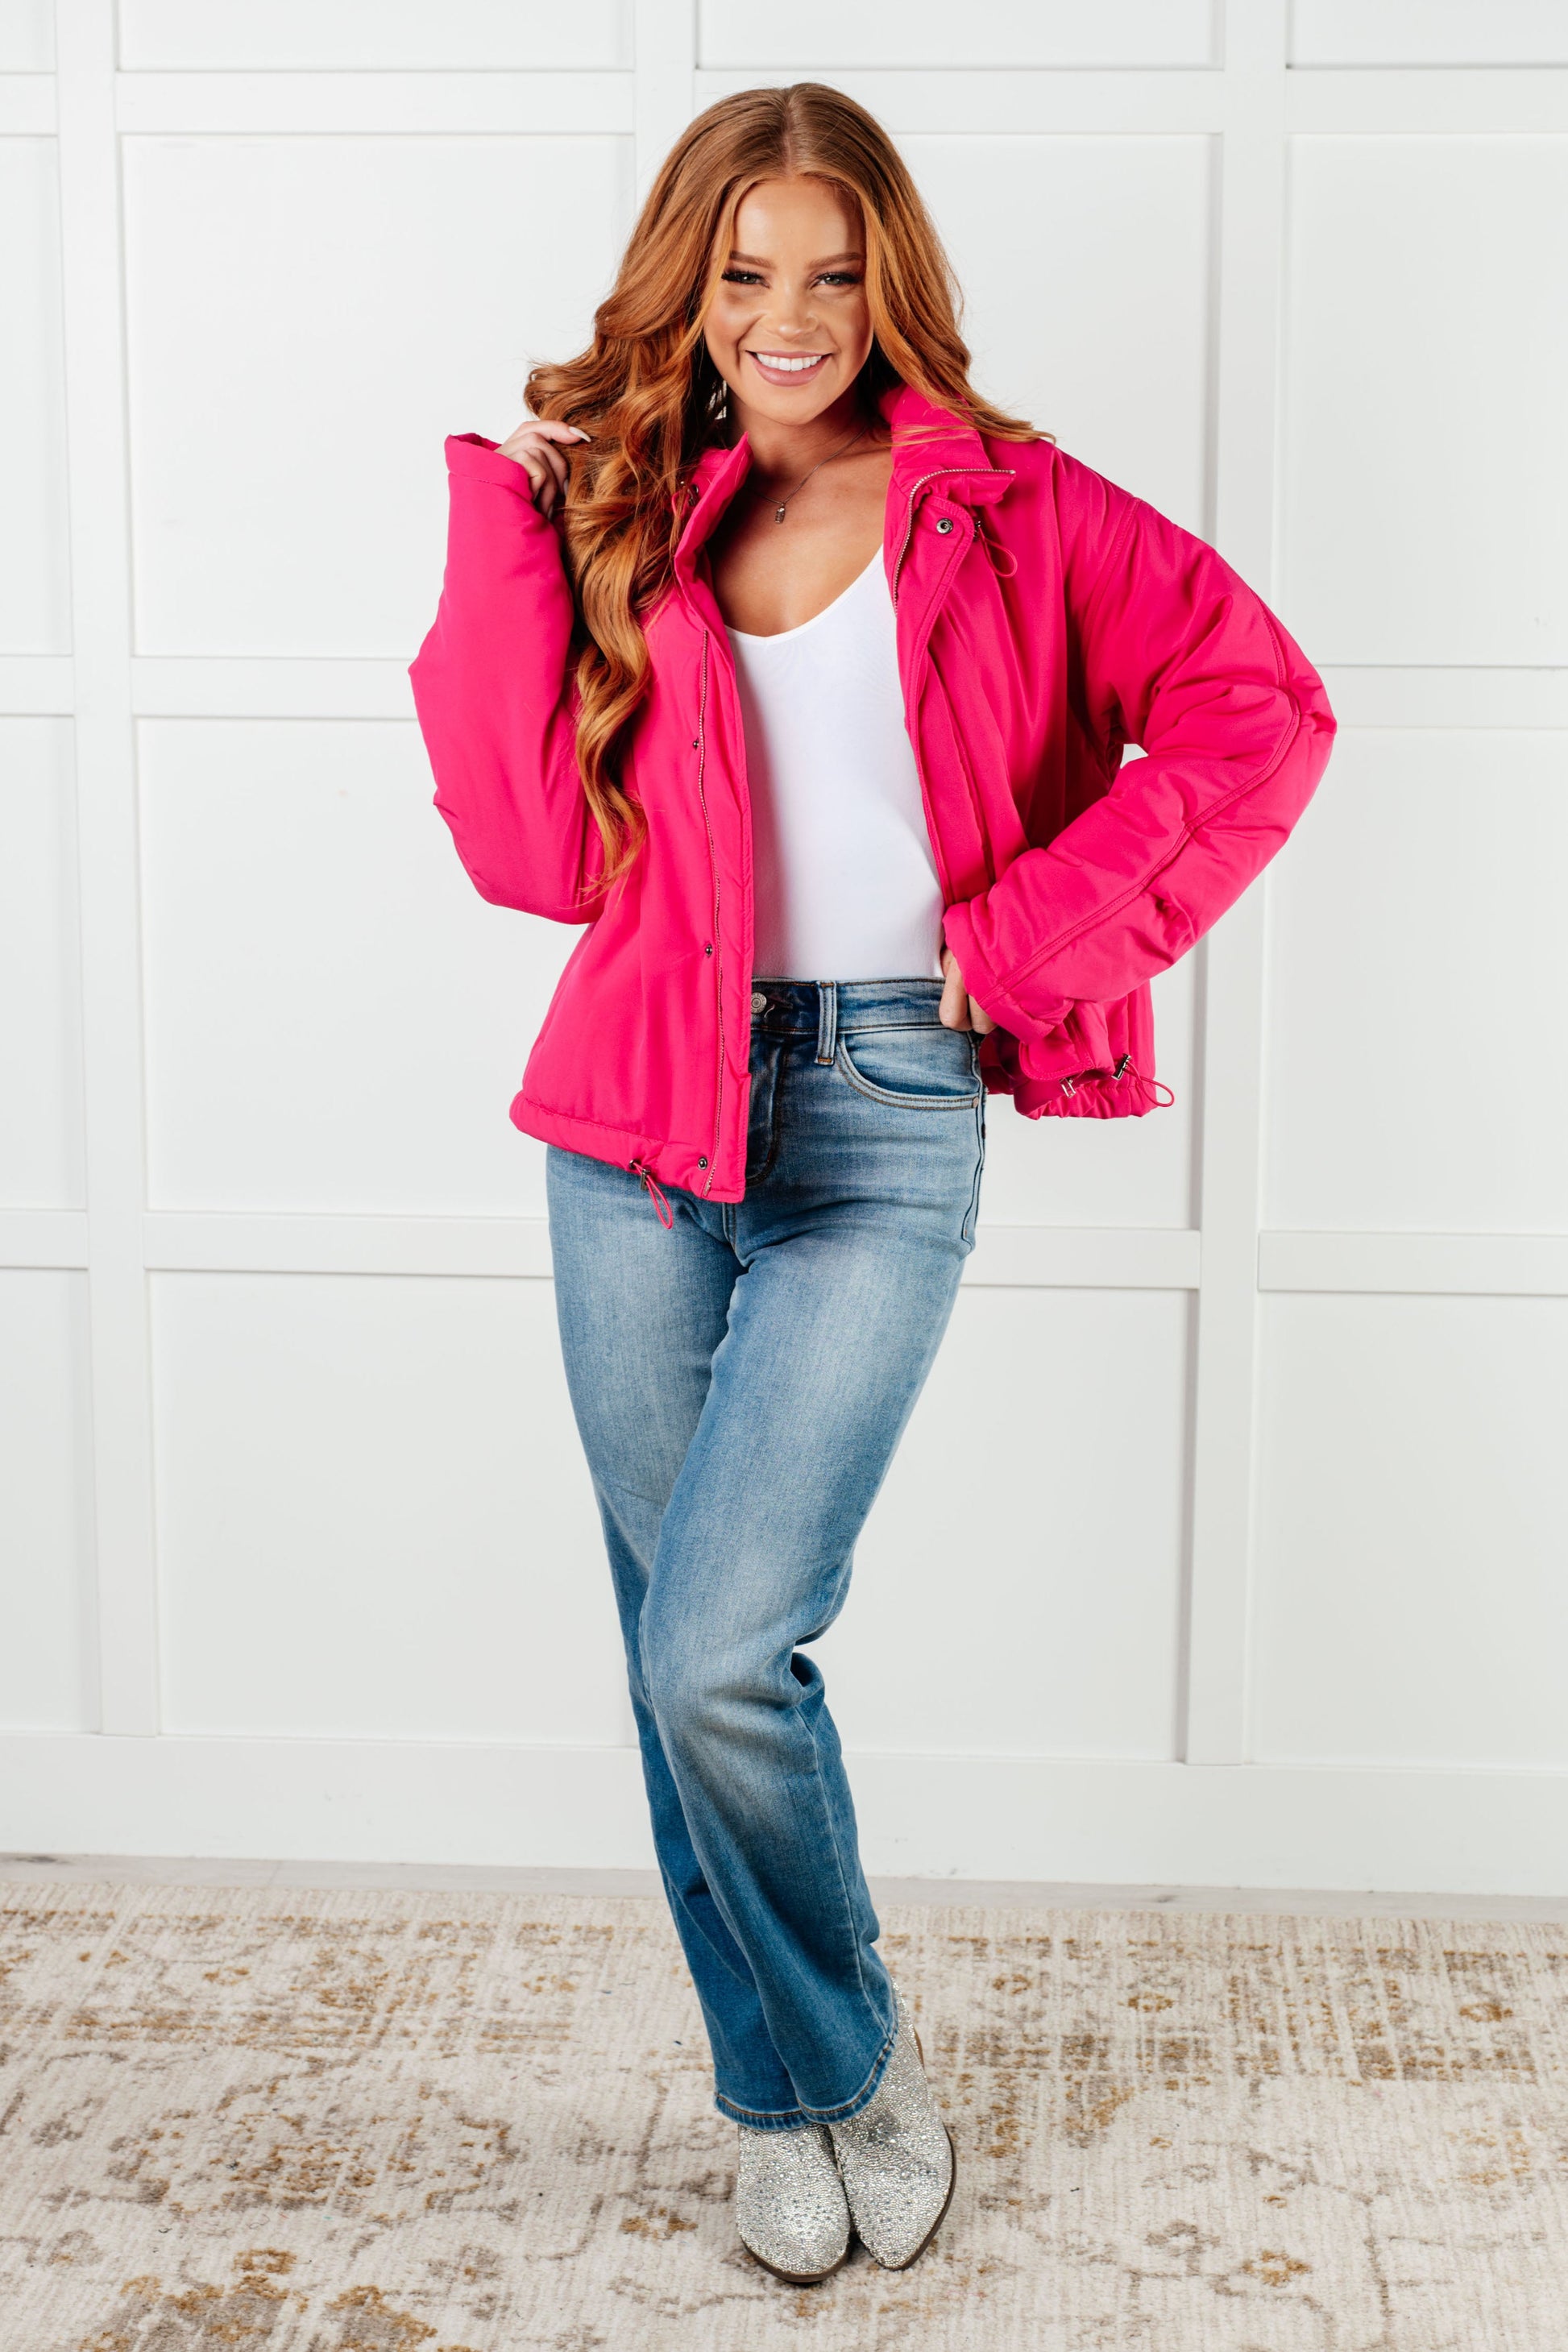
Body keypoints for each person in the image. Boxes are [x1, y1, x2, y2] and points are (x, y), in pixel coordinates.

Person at [408, 82, 1334, 2285]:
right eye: (744, 276)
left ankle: (838, 2063)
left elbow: (1258, 710)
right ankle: (796, 2095)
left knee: (726, 1638)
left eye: (829, 273)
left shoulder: (1009, 511)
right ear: (689, 288)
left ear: (884, 280)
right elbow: (531, 851)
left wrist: (1006, 948)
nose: (788, 316)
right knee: (673, 1657)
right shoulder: (635, 502)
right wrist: (499, 526)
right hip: (632, 1125)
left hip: (880, 1115)